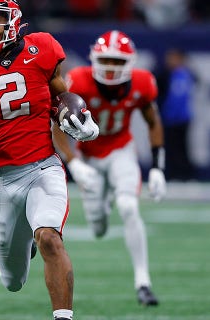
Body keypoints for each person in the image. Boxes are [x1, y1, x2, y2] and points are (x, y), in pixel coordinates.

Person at [0, 1, 99, 319]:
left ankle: (63, 316)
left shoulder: (42, 49)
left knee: (49, 238)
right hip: (0, 178)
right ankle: (20, 242)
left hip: (43, 167)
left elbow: (61, 98)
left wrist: (82, 121)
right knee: (12, 281)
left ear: (12, 21)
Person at [52, 30, 166, 307]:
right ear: (95, 58)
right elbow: (56, 126)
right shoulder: (78, 79)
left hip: (121, 150)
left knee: (128, 206)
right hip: (88, 155)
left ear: (129, 62)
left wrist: (158, 167)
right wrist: (74, 163)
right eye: (107, 60)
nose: (112, 67)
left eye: (117, 61)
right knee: (99, 228)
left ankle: (143, 282)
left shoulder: (142, 82)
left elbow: (153, 122)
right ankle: (102, 202)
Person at [156, 48, 196, 181]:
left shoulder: (185, 75)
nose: (170, 61)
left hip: (181, 118)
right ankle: (171, 174)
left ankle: (185, 174)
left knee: (182, 147)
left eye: (174, 58)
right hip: (168, 118)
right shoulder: (165, 75)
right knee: (169, 148)